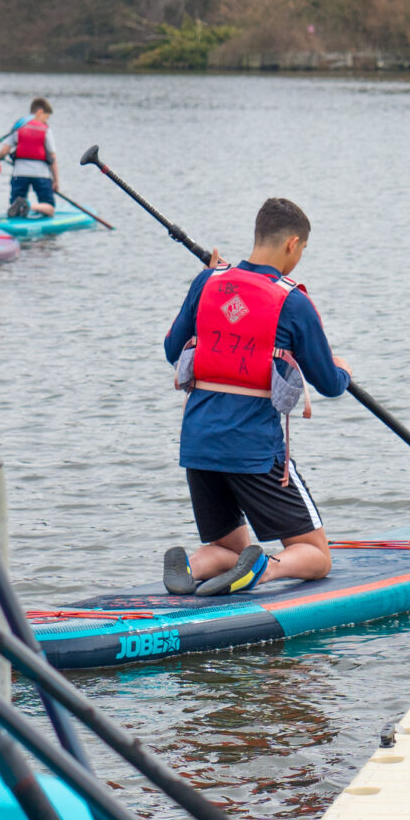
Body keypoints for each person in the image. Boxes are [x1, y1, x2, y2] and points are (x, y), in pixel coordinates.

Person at [159, 197, 351, 597]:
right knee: (316, 556)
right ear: (292, 244)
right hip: (253, 450)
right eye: (302, 251)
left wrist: (212, 281)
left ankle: (194, 564)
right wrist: (344, 369)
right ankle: (262, 571)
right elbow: (330, 384)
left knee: (229, 548)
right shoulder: (292, 301)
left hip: (198, 443)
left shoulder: (207, 282)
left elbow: (171, 350)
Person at [0, 97, 59, 218]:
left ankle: (21, 204)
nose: (46, 121)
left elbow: (4, 151)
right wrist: (56, 180)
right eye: (46, 117)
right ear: (40, 112)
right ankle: (30, 205)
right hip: (42, 174)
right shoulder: (46, 130)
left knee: (14, 204)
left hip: (19, 173)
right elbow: (52, 157)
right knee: (50, 209)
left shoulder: (18, 127)